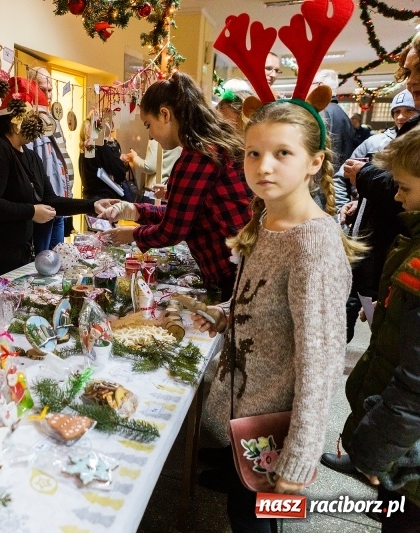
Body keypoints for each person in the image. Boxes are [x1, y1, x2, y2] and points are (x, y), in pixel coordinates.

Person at [193, 98, 362, 533]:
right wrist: (223, 313)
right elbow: (260, 300)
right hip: (248, 418)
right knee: (240, 508)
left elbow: (320, 365)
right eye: (254, 153)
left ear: (314, 162)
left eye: (282, 153)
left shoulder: (313, 247)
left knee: (256, 521)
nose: (263, 166)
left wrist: (300, 457)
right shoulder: (267, 220)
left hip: (276, 431)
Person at [99, 72, 251, 301]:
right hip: (240, 268)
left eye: (149, 125)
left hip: (233, 274)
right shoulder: (208, 146)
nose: (150, 134)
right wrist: (136, 210)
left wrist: (133, 234)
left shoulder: (197, 157)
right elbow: (185, 213)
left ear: (165, 114)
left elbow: (172, 230)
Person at [0, 78, 116, 283]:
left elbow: (50, 200)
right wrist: (32, 212)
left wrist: (92, 205)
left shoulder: (30, 155)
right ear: (17, 120)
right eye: (37, 122)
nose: (41, 130)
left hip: (18, 255)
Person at [344, 127, 420, 532]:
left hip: (406, 449)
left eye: (404, 187)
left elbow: (414, 386)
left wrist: (372, 452)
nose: (396, 196)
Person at [335, 89, 418, 342]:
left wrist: (365, 176)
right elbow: (343, 176)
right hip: (364, 241)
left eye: (408, 110)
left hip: (387, 249)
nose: (401, 116)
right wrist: (353, 203)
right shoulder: (375, 142)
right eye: (396, 111)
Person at [27, 66, 75, 252]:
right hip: (43, 205)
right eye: (42, 89)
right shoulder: (28, 120)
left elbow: (60, 159)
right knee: (42, 259)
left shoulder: (54, 119)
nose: (47, 95)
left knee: (60, 257)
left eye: (49, 90)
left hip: (59, 202)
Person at [79, 114, 130, 200]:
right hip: (105, 198)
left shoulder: (85, 150)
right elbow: (120, 173)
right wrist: (120, 161)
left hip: (90, 198)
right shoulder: (100, 147)